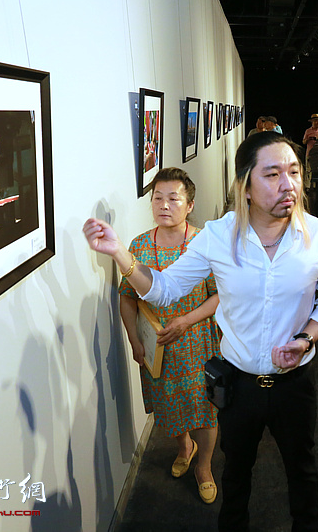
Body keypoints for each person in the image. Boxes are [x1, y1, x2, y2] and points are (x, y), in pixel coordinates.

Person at [83, 131, 318, 532]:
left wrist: (307, 337)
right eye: (273, 174)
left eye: (293, 171)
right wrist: (121, 253)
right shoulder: (220, 237)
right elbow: (165, 289)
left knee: (303, 475)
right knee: (236, 474)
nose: (288, 184)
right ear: (245, 185)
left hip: (296, 384)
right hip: (238, 384)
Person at [118, 168, 220, 504]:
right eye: (157, 198)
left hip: (198, 343)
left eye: (173, 198)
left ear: (189, 205)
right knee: (170, 409)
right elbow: (128, 297)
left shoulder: (204, 242)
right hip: (156, 349)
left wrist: (186, 321)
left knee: (205, 411)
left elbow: (221, 295)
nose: (164, 205)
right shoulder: (140, 246)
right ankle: (183, 447)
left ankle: (203, 467)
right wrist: (134, 339)